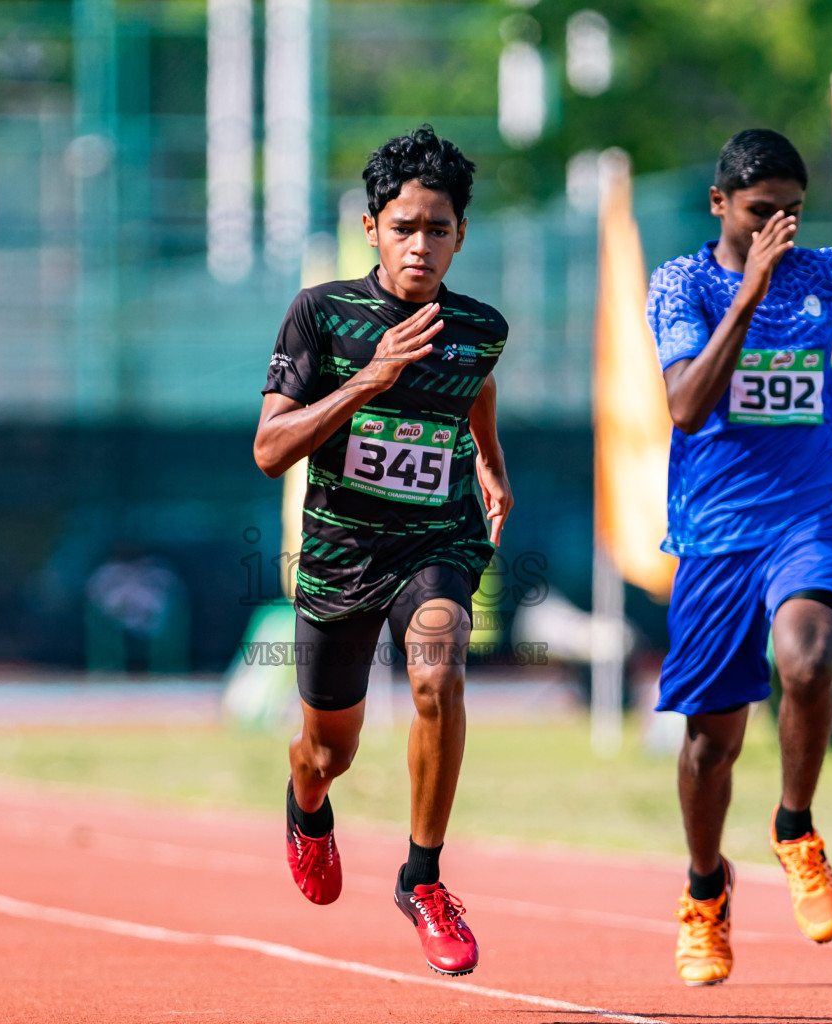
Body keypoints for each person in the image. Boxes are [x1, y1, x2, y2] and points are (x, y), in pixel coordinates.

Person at [647, 129, 832, 986]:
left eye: (792, 213)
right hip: (720, 528)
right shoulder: (682, 285)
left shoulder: (819, 272)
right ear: (720, 204)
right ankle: (704, 892)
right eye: (762, 213)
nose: (779, 230)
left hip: (816, 504)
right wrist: (748, 295)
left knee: (807, 656)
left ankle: (795, 828)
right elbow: (686, 405)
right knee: (711, 743)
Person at [253, 126, 511, 977]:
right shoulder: (322, 315)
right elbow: (268, 449)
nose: (421, 245)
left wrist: (490, 462)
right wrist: (368, 380)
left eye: (438, 229)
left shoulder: (481, 327)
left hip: (437, 539)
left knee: (440, 672)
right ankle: (306, 801)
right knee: (331, 750)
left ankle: (423, 877)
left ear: (460, 235)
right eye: (405, 227)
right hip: (340, 555)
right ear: (373, 228)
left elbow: (475, 383)